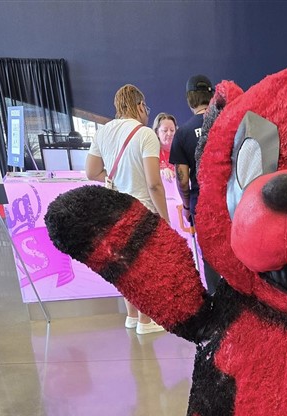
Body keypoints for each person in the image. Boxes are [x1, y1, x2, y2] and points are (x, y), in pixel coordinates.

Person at [85, 84, 169, 334]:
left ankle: (132, 317)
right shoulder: (145, 134)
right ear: (140, 105)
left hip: (113, 208)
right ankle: (146, 321)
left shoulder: (103, 132)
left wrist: (115, 179)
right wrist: (164, 217)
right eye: (146, 107)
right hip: (140, 208)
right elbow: (154, 184)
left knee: (124, 265)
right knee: (143, 266)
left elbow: (91, 172)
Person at [169, 74, 220, 294]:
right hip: (230, 200)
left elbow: (182, 178)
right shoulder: (227, 124)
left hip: (202, 203)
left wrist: (187, 206)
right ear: (212, 96)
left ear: (190, 99)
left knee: (210, 255)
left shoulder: (183, 133)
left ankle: (216, 300)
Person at [152, 112, 177, 183]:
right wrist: (161, 172)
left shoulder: (181, 151)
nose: (169, 133)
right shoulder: (152, 152)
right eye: (165, 131)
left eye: (172, 130)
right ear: (157, 132)